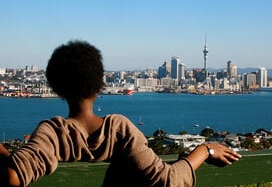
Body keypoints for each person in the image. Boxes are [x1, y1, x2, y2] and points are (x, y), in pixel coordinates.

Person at [0, 40, 242, 187]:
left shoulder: (52, 133)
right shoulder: (119, 129)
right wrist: (205, 150)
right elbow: (166, 181)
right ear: (100, 85)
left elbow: (13, 175)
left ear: (56, 88)